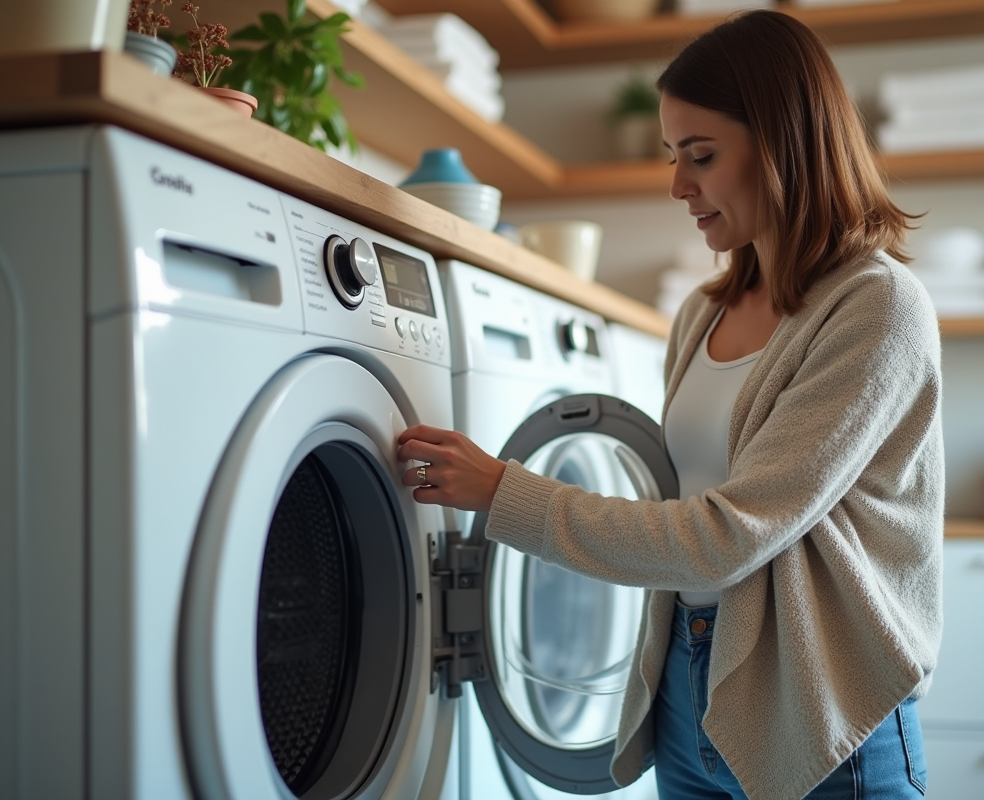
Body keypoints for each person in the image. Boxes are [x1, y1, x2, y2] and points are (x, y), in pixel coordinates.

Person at [396, 10, 943, 800]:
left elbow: (726, 536)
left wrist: (504, 492)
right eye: (672, 156)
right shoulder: (701, 314)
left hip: (821, 713)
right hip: (687, 692)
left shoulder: (878, 307)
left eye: (702, 155)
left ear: (784, 142)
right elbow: (675, 507)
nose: (679, 184)